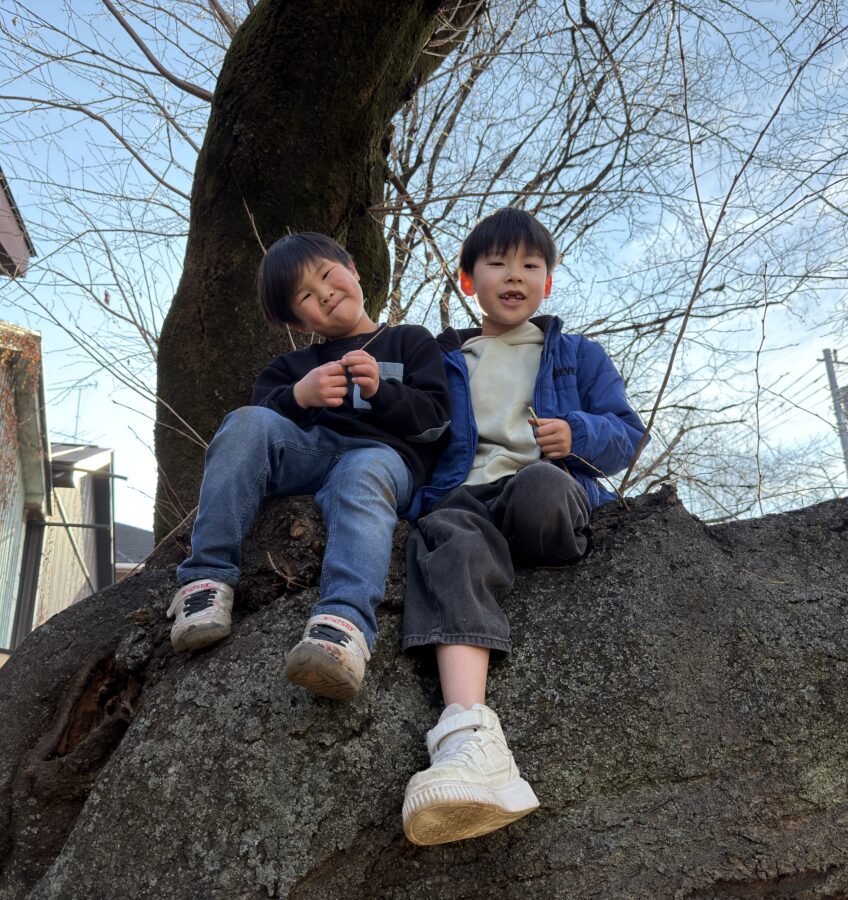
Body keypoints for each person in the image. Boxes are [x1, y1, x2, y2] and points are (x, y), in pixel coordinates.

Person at [399, 208, 646, 845]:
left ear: (548, 283)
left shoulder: (577, 355)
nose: (515, 276)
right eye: (498, 264)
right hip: (467, 498)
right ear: (467, 281)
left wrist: (577, 433)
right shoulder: (442, 359)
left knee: (540, 486)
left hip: (543, 490)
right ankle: (469, 735)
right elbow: (409, 431)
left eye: (530, 265)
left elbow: (626, 433)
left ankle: (511, 554)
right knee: (446, 534)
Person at [168, 232, 449, 702]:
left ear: (353, 270)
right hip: (310, 452)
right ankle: (206, 581)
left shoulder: (411, 341)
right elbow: (251, 433)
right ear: (298, 323)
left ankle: (343, 628)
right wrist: (300, 396)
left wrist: (383, 392)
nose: (324, 293)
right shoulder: (291, 366)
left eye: (326, 274)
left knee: (363, 474)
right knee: (243, 421)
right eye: (305, 296)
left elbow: (437, 423)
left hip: (383, 458)